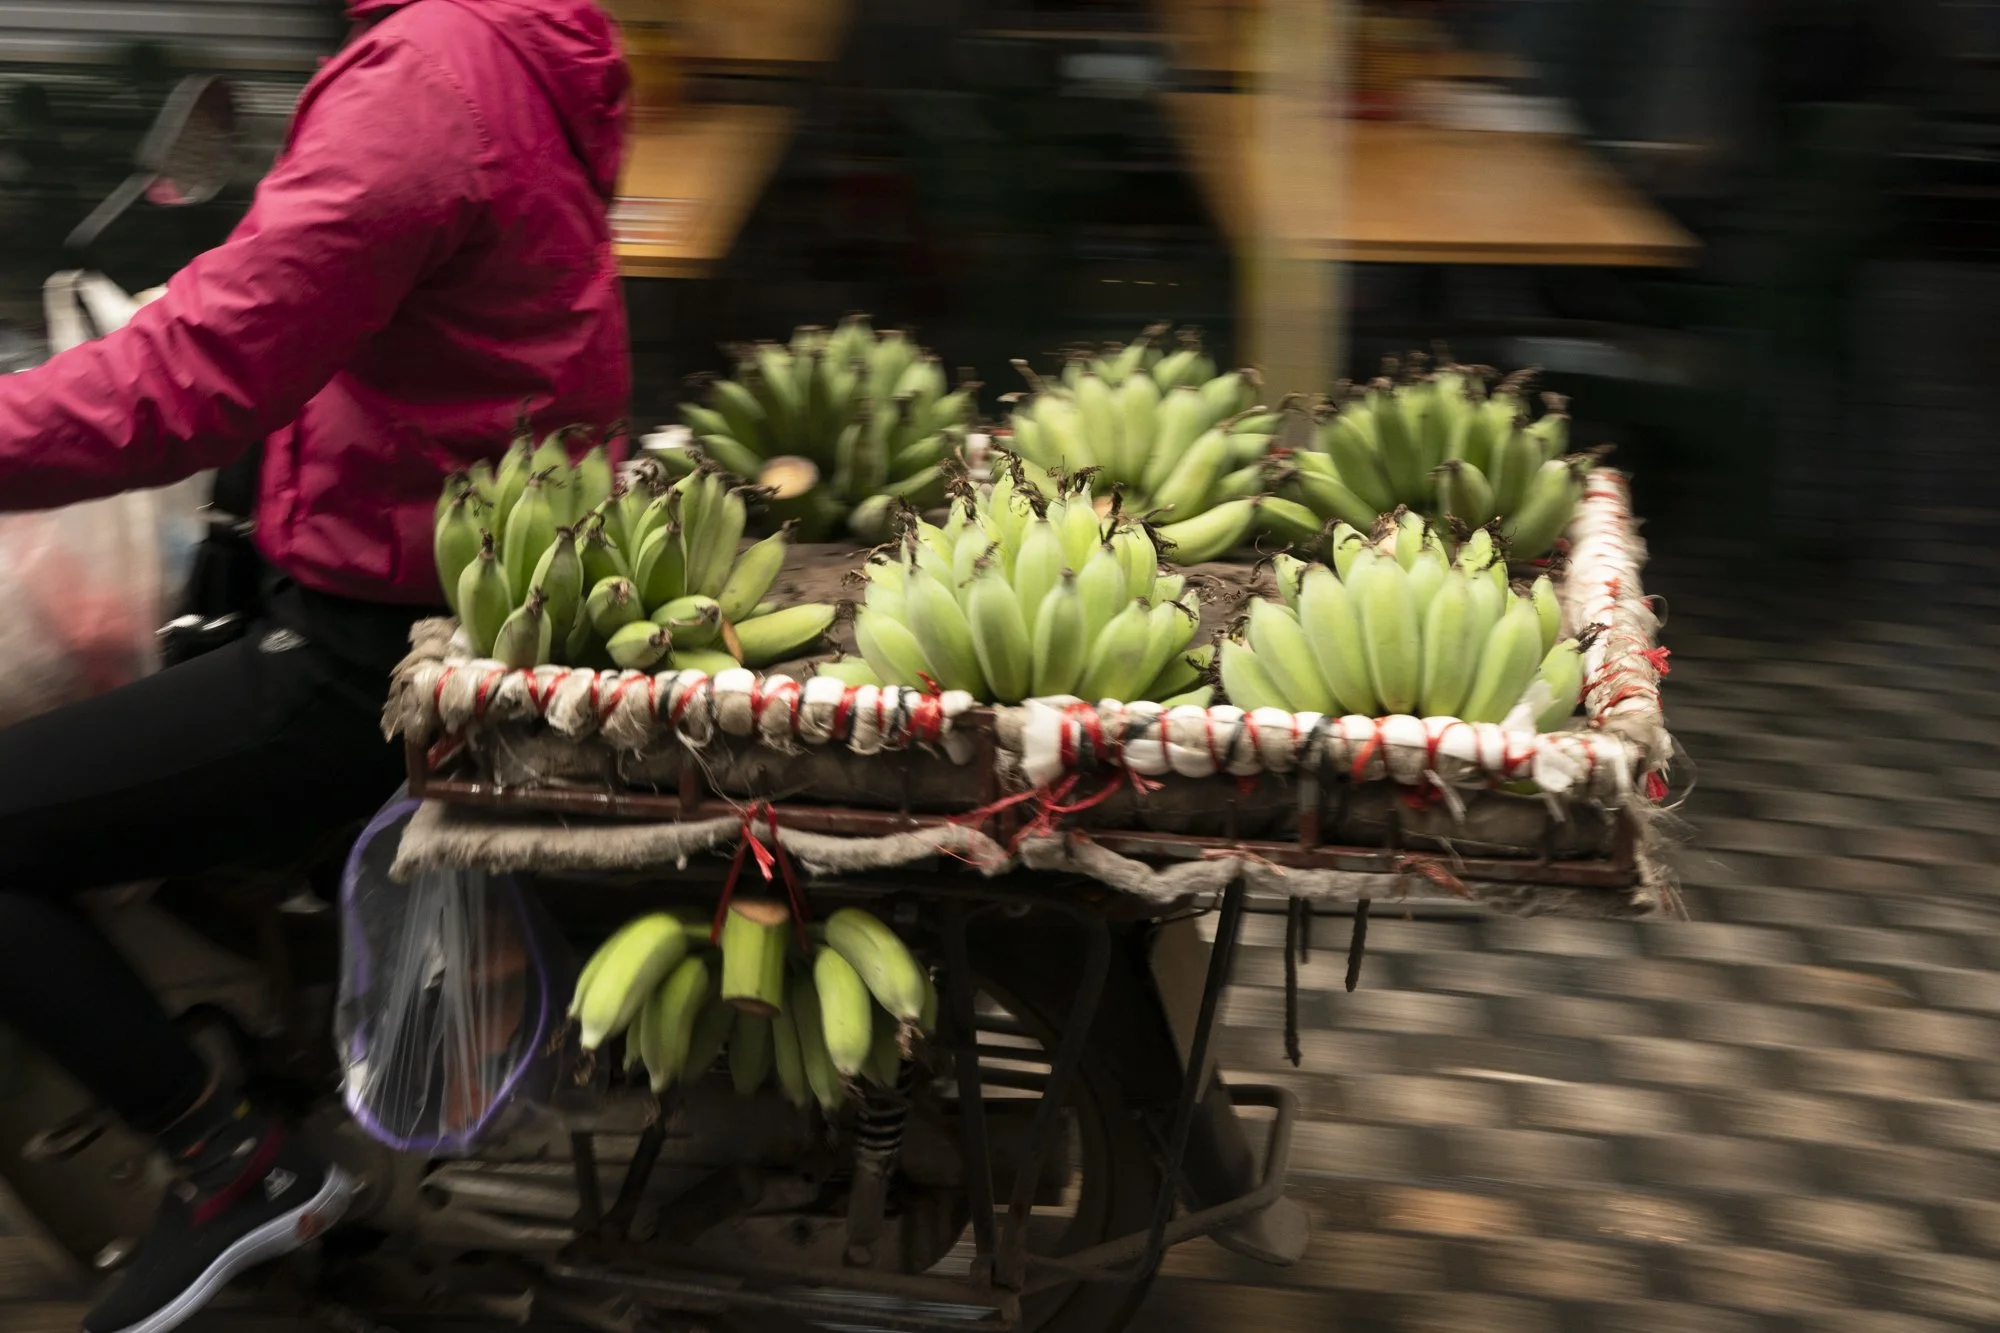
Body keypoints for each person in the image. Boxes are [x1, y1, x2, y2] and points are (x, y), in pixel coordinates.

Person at [0, 2, 629, 1330]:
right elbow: (338, 303)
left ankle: (226, 1163)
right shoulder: (517, 53)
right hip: (432, 575)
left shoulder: (428, 78)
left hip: (371, 647)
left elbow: (199, 378)